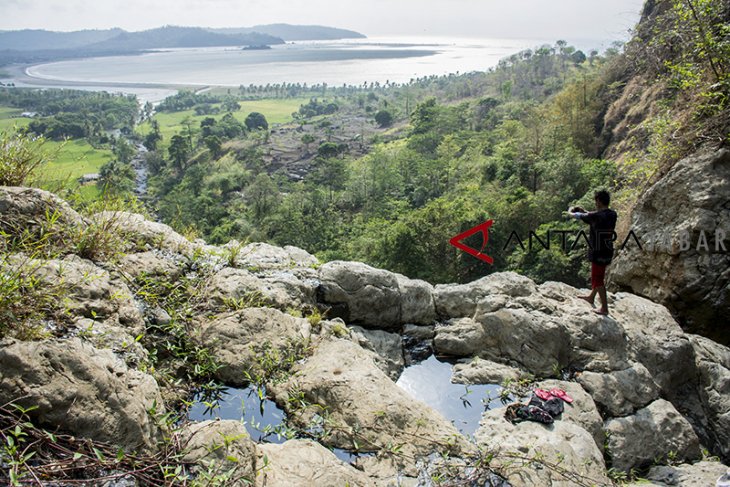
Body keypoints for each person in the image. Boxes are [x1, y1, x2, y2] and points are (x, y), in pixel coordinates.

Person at [568, 190, 617, 315]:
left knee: (597, 279)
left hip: (598, 251)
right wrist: (584, 211)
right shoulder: (612, 214)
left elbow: (577, 216)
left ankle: (604, 308)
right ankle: (591, 296)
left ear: (599, 201)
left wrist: (570, 210)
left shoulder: (596, 216)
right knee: (599, 275)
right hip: (607, 250)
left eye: (596, 201)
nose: (595, 203)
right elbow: (592, 215)